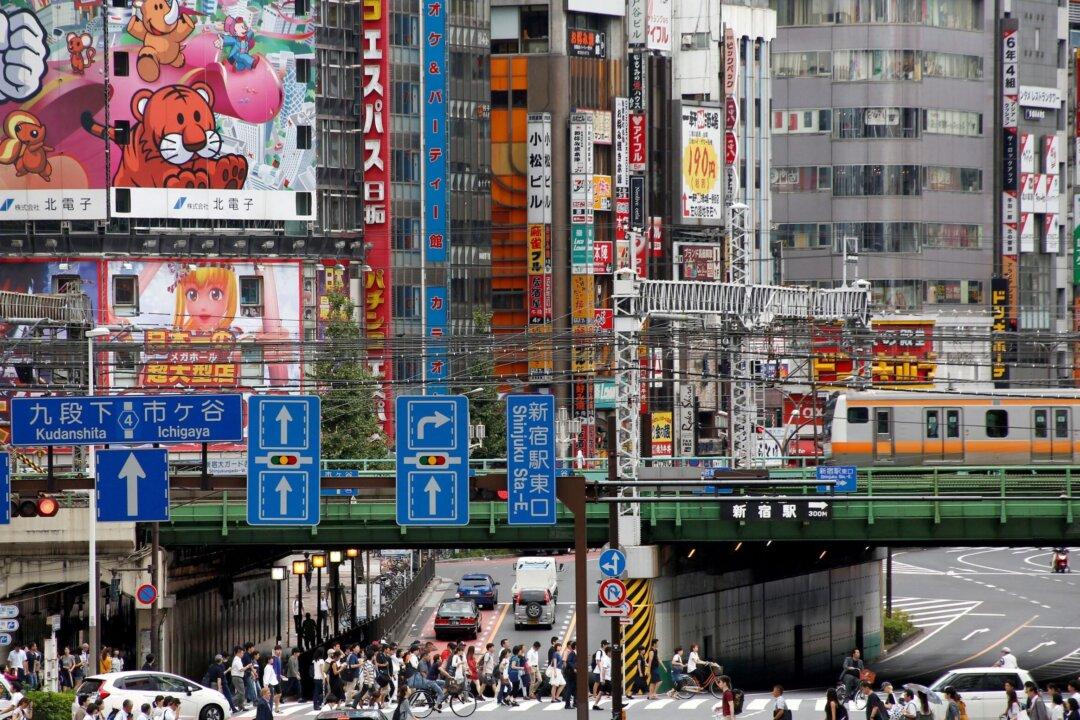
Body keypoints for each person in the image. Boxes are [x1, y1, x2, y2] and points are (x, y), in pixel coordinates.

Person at [591, 645, 611, 710]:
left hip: (606, 678)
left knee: (601, 692)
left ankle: (595, 705)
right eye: (611, 652)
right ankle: (618, 704)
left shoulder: (608, 658)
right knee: (615, 690)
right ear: (608, 652)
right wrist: (603, 679)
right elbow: (603, 669)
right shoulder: (606, 659)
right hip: (606, 679)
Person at [230, 646, 248, 712]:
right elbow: (241, 669)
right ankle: (230, 702)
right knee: (241, 693)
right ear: (238, 653)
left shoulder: (237, 659)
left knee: (240, 693)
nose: (243, 654)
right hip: (237, 677)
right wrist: (247, 666)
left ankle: (241, 706)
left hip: (237, 677)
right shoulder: (237, 660)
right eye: (242, 653)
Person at [563, 641, 578, 710]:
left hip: (574, 674)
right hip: (570, 674)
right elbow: (569, 661)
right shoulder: (572, 653)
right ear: (575, 646)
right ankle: (567, 704)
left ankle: (575, 703)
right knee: (569, 689)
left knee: (575, 688)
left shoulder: (576, 653)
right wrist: (574, 668)